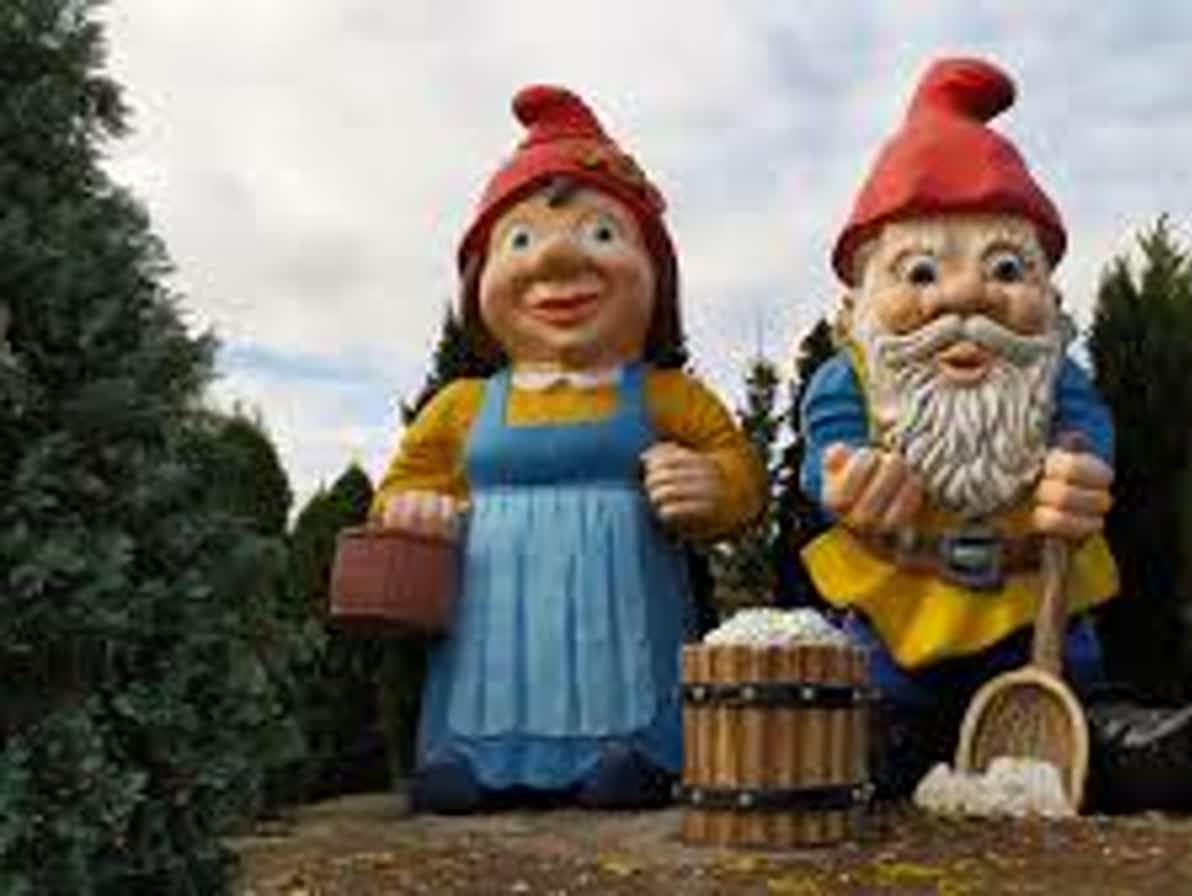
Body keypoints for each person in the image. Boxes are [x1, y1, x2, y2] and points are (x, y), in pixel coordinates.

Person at [372, 84, 763, 814]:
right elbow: (399, 487)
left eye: (602, 234)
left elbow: (740, 474)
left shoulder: (665, 396)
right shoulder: (461, 405)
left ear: (656, 276)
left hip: (625, 612)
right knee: (485, 685)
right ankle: (468, 758)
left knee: (624, 690)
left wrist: (711, 484)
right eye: (520, 241)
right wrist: (410, 509)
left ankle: (640, 752)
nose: (554, 260)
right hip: (488, 619)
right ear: (480, 280)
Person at [799, 56, 1120, 799]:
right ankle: (884, 739)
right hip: (900, 604)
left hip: (1033, 606)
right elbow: (827, 456)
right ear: (859, 303)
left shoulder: (1055, 378)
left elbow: (1088, 434)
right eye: (919, 274)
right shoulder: (848, 380)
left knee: (1080, 695)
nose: (966, 295)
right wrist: (846, 479)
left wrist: (1081, 478)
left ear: (1049, 294)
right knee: (876, 714)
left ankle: (1099, 735)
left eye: (1006, 270)